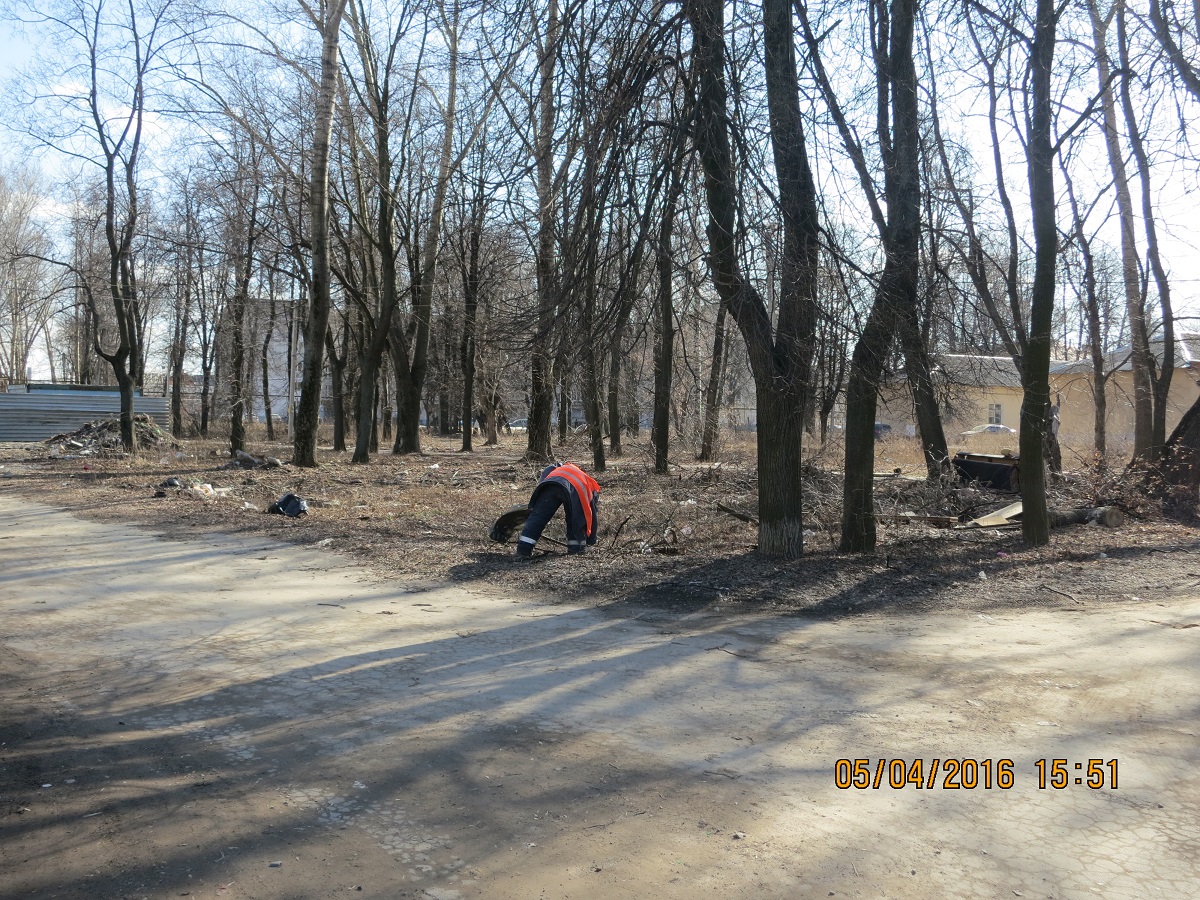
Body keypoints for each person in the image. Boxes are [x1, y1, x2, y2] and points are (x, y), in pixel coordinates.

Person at [516, 462, 600, 557]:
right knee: (575, 519)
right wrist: (591, 541)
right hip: (572, 488)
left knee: (538, 517)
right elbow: (591, 518)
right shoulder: (587, 484)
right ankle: (576, 550)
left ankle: (523, 550)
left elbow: (545, 475)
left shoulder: (559, 468)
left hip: (550, 485)